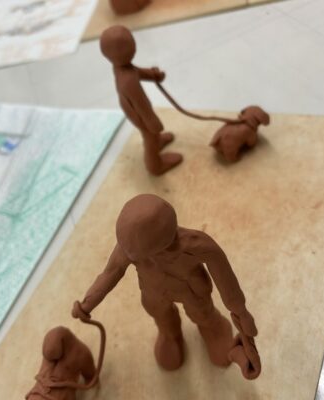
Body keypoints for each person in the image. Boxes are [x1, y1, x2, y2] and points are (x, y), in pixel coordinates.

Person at [73, 194, 259, 374]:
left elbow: (224, 278)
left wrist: (241, 312)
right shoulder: (130, 248)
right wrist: (87, 303)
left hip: (191, 289)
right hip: (154, 292)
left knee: (202, 312)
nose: (128, 255)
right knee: (160, 314)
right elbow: (110, 273)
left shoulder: (195, 246)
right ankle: (169, 334)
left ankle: (213, 328)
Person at [101, 26, 183, 175]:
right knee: (149, 135)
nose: (134, 46)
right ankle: (155, 165)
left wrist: (152, 75)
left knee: (152, 134)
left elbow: (136, 71)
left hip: (130, 106)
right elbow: (141, 105)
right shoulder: (128, 81)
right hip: (137, 112)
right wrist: (153, 122)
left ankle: (158, 141)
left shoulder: (121, 66)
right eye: (130, 44)